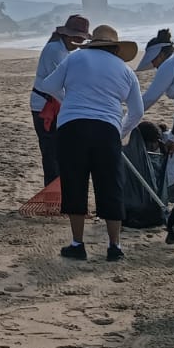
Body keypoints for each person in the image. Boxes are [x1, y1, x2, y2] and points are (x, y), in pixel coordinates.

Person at [34, 25, 144, 262]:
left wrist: (70, 98)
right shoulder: (125, 70)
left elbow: (49, 85)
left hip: (72, 127)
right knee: (110, 185)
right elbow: (137, 111)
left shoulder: (75, 58)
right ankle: (114, 246)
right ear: (116, 48)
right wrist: (119, 131)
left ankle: (78, 243)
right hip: (107, 129)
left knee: (75, 183)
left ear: (92, 43)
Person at [31, 15, 89, 183]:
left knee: (60, 153)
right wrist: (76, 107)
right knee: (51, 154)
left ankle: (60, 188)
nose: (79, 44)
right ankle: (53, 192)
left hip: (56, 104)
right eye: (78, 39)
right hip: (44, 106)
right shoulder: (54, 50)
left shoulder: (64, 51)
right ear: (68, 36)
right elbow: (56, 86)